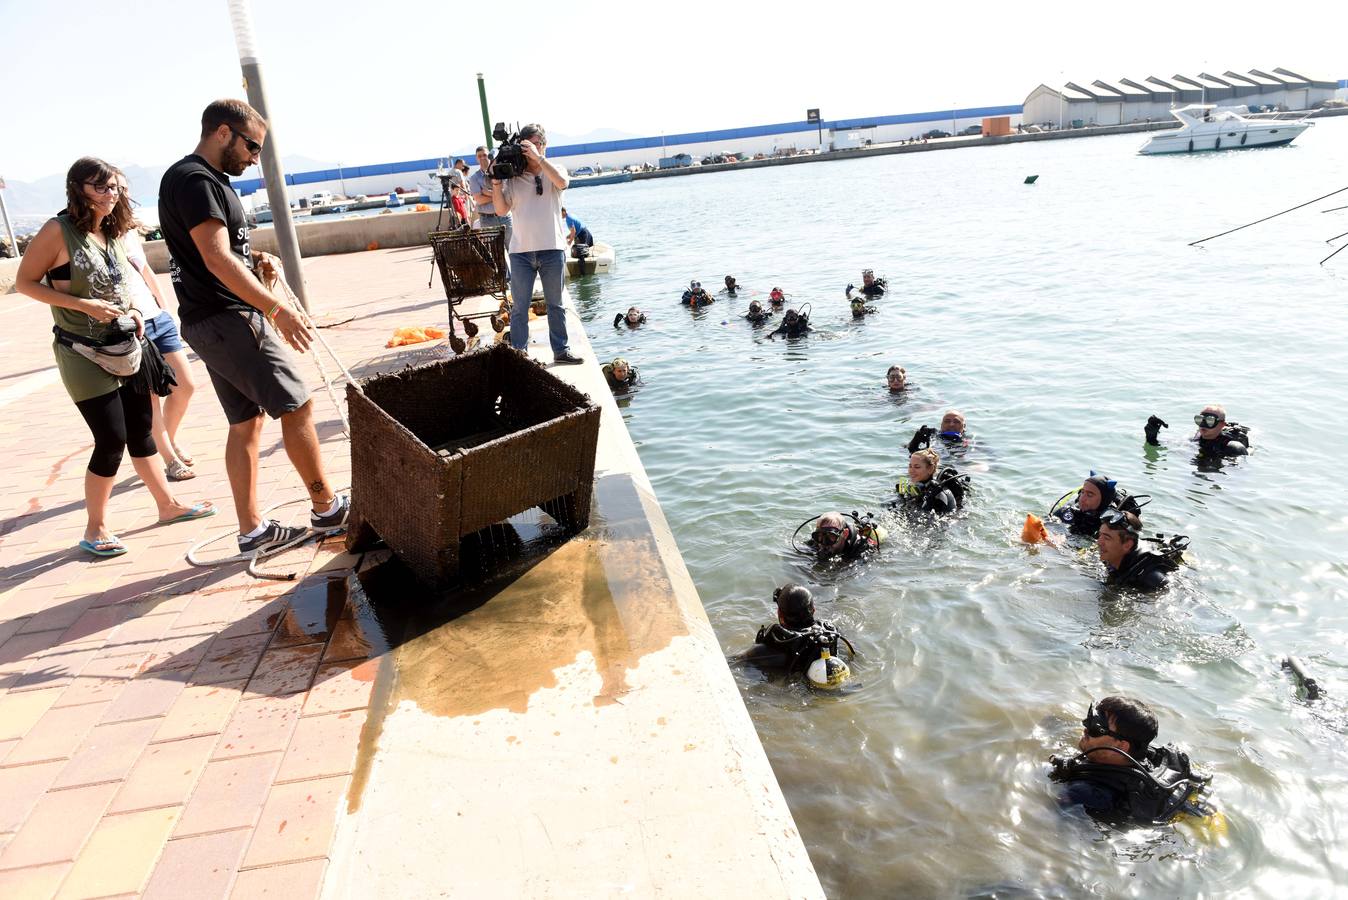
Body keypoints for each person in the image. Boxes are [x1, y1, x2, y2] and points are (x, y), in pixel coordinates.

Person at [158, 99, 350, 557]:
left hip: (208, 321)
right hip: (230, 319)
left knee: (246, 423)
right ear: (222, 132)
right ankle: (327, 509)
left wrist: (254, 260)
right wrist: (276, 309)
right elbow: (214, 256)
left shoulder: (198, 180)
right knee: (298, 406)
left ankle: (252, 531)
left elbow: (220, 253)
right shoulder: (196, 180)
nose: (254, 158)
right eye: (251, 146)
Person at [16, 157, 215, 557]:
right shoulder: (59, 231)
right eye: (100, 188)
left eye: (115, 188)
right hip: (81, 350)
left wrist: (137, 312)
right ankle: (96, 527)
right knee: (111, 439)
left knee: (142, 429)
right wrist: (84, 305)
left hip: (127, 346)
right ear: (78, 189)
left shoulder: (111, 231)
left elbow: (124, 287)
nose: (110, 195)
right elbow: (24, 283)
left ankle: (167, 506)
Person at [116, 172, 199, 482]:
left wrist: (164, 307)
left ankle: (170, 439)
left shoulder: (128, 231)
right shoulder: (97, 235)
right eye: (111, 188)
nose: (117, 194)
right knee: (151, 398)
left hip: (157, 317)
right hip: (133, 325)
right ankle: (169, 459)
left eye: (122, 188)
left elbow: (145, 268)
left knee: (185, 385)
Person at [489, 124, 583, 364]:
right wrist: (497, 183)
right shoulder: (513, 176)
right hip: (521, 252)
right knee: (519, 308)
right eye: (526, 146)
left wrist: (539, 158)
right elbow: (501, 210)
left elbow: (562, 183)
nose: (530, 151)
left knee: (556, 305)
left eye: (535, 145)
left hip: (552, 249)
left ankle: (560, 351)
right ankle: (520, 355)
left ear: (544, 145)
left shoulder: (554, 169)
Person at [1049, 696, 1218, 826]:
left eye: (1096, 728)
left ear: (1122, 745)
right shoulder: (1148, 761)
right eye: (1090, 720)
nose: (1086, 728)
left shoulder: (1084, 792)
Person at [740, 584, 854, 687]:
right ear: (813, 610)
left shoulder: (763, 652)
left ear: (779, 613)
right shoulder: (831, 635)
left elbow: (733, 664)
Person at [1096, 510, 1180, 592]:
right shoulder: (1111, 558)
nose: (1099, 542)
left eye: (1107, 538)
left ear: (1127, 545)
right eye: (1100, 535)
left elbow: (1171, 594)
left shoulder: (1153, 578)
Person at [1051, 472, 1145, 538]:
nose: (1082, 498)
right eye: (1082, 492)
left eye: (1090, 495)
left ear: (1104, 500)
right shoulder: (1068, 512)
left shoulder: (1112, 523)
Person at [1146, 406, 1249, 459]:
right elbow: (1166, 447)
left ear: (1222, 425)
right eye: (1199, 419)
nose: (1203, 424)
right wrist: (1151, 436)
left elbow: (1239, 476)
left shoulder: (1234, 448)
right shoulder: (1193, 438)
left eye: (1209, 421)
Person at [894, 448, 967, 515]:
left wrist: (929, 501)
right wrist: (900, 497)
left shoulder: (940, 493)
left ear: (930, 469)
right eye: (910, 466)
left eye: (917, 467)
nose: (911, 471)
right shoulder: (911, 488)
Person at [469, 145, 511, 248]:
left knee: (514, 250)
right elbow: (479, 200)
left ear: (490, 156)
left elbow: (507, 194)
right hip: (487, 220)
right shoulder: (474, 178)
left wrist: (487, 193)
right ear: (476, 158)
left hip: (506, 218)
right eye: (479, 156)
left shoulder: (502, 172)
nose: (483, 158)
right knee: (495, 255)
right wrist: (497, 194)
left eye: (485, 155)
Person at [807, 511, 883, 560]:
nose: (824, 543)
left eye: (830, 536)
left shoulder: (862, 547)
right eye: (819, 536)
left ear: (845, 534)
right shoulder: (817, 542)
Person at [906, 410, 970, 454]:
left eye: (956, 421)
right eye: (947, 421)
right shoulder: (932, 436)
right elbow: (906, 451)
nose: (951, 424)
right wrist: (915, 441)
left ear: (964, 426)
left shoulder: (970, 441)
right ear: (941, 425)